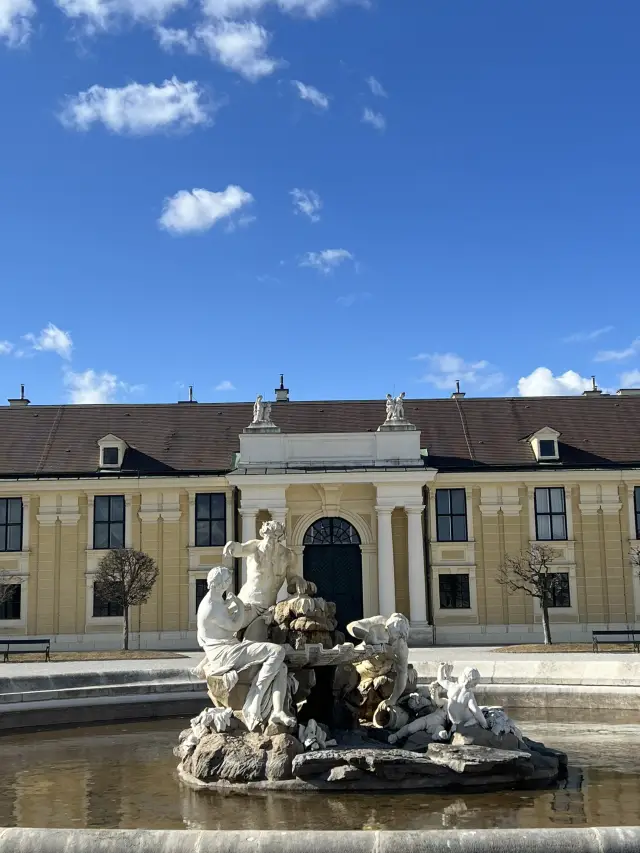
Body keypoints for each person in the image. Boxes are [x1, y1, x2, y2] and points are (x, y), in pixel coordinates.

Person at [196, 565, 296, 731]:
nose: (229, 584)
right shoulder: (211, 608)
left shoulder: (216, 601)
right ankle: (254, 700)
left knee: (281, 667)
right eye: (227, 581)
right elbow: (236, 625)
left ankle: (278, 711)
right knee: (277, 651)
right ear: (220, 584)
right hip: (225, 655)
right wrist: (240, 606)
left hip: (230, 648)